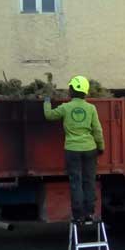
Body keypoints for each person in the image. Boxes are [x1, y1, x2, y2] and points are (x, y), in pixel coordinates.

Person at [43, 75, 105, 224]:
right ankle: (89, 214)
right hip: (90, 149)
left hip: (72, 150)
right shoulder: (91, 108)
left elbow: (49, 115)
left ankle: (78, 216)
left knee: (76, 182)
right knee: (89, 181)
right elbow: (97, 130)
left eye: (70, 88)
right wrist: (101, 147)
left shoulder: (66, 107)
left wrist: (46, 101)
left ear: (73, 90)